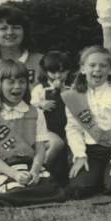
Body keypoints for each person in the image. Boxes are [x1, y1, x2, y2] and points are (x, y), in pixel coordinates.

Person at [0, 59, 65, 207]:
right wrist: (14, 175)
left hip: (28, 165)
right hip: (2, 168)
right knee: (6, 185)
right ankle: (12, 193)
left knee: (51, 187)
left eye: (22, 82)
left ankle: (16, 195)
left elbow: (40, 150)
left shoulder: (36, 113)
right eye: (11, 82)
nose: (17, 86)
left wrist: (35, 170)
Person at [63, 46, 111, 199]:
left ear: (110, 70)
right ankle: (96, 177)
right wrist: (80, 155)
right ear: (82, 69)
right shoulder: (74, 96)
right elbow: (73, 129)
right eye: (92, 65)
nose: (97, 70)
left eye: (103, 66)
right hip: (90, 152)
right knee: (78, 189)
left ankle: (106, 177)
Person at [29, 50, 75, 180]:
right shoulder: (40, 89)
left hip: (69, 128)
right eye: (53, 72)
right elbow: (30, 107)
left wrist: (63, 92)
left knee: (68, 155)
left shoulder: (72, 87)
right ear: (46, 71)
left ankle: (70, 175)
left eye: (62, 72)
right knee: (56, 145)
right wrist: (41, 104)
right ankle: (40, 168)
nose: (58, 76)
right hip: (48, 130)